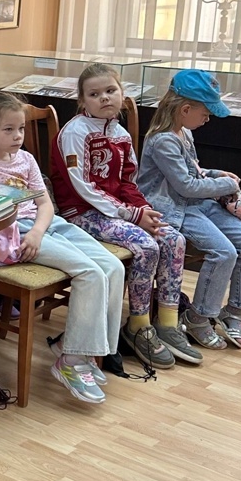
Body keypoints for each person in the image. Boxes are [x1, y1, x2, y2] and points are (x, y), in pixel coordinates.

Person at [0, 92, 126, 404]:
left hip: (43, 225)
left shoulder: (26, 159)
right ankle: (71, 361)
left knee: (113, 267)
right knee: (90, 272)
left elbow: (45, 204)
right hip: (12, 230)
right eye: (9, 129)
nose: (18, 136)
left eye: (21, 128)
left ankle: (84, 349)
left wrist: (38, 231)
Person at [48, 63, 191, 371]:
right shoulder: (74, 133)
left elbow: (128, 183)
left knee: (173, 239)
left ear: (123, 95)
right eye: (94, 94)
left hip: (118, 213)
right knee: (146, 246)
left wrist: (146, 212)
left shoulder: (121, 134)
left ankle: (167, 322)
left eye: (110, 90)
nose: (104, 98)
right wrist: (133, 215)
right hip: (82, 213)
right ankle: (138, 326)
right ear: (82, 100)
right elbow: (83, 186)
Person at [137, 70, 241, 350]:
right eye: (205, 114)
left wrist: (216, 173)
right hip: (174, 208)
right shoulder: (163, 140)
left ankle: (234, 311)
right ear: (185, 109)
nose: (208, 119)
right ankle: (199, 317)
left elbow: (192, 172)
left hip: (195, 203)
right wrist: (226, 184)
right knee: (224, 252)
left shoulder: (184, 133)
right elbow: (186, 186)